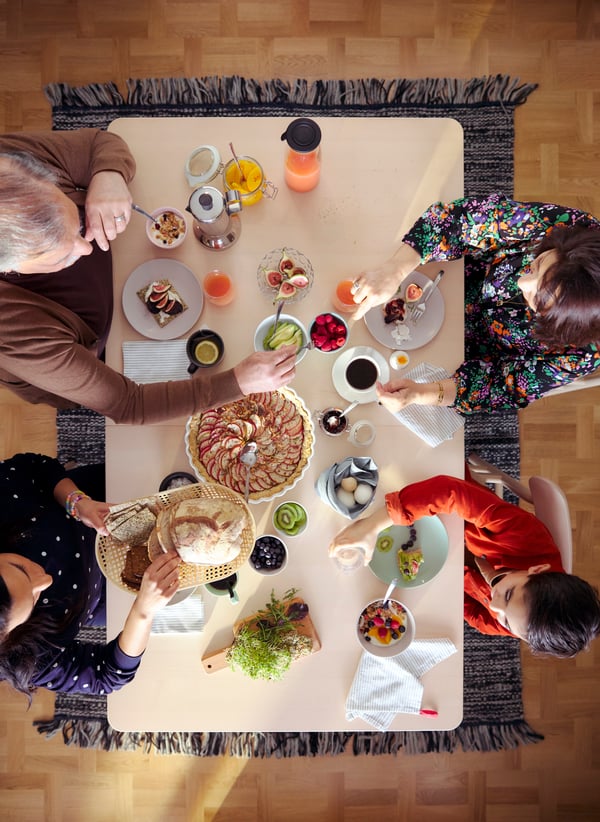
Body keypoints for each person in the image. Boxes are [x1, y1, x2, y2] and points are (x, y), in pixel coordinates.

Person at [0, 129, 296, 423]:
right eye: (64, 256)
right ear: (8, 268)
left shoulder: (12, 166)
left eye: (77, 225)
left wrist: (108, 176)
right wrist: (239, 382)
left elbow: (100, 144)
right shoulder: (13, 332)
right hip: (86, 354)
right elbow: (128, 403)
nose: (87, 249)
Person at [350, 193, 600, 413]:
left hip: (466, 355)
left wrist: (420, 393)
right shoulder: (571, 231)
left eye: (538, 299)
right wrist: (394, 269)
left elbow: (505, 387)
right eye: (534, 267)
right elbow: (461, 218)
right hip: (452, 273)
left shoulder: (584, 354)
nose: (522, 284)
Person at [328, 472, 600, 658]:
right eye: (507, 595)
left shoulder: (524, 621)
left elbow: (480, 620)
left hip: (446, 554)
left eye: (504, 620)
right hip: (450, 508)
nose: (494, 606)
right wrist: (372, 526)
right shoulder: (526, 535)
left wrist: (435, 589)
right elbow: (451, 492)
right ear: (537, 571)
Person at [0, 452, 181, 699]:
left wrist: (76, 502)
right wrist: (143, 612)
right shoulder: (23, 659)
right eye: (32, 602)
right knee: (186, 604)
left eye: (20, 568)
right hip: (105, 593)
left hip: (93, 501)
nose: (46, 580)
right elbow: (108, 675)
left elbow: (33, 466)